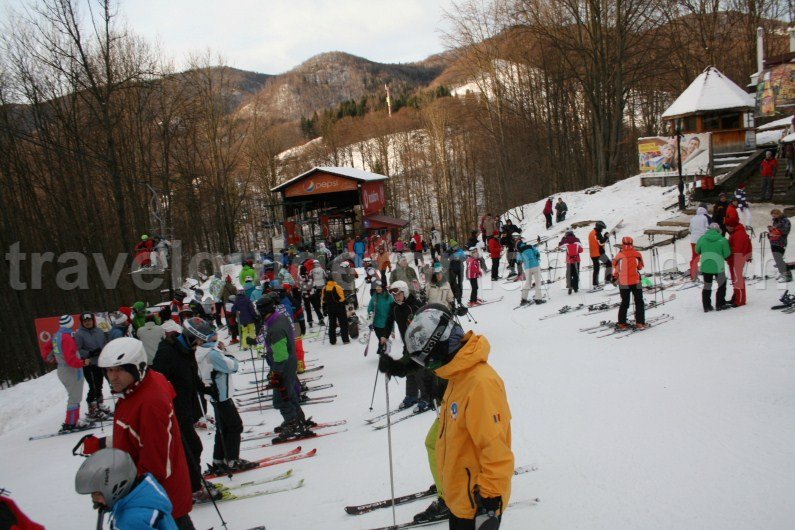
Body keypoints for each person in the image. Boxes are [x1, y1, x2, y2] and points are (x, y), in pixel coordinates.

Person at [403, 304, 514, 529]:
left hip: (476, 504)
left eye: (429, 360)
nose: (431, 367)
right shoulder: (458, 377)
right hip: (460, 500)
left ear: (440, 345)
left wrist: (489, 504)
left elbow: (496, 450)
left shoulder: (480, 384)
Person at [83, 338, 195, 528]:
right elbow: (138, 436)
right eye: (109, 370)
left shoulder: (150, 403)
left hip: (157, 500)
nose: (113, 377)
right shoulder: (139, 387)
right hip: (151, 498)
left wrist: (113, 491)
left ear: (137, 367)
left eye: (119, 370)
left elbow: (155, 467)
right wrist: (104, 444)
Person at [151, 319, 209, 503]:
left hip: (186, 408)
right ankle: (192, 489)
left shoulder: (187, 350)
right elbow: (156, 381)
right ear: (192, 337)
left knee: (190, 449)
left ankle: (192, 484)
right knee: (191, 448)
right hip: (173, 411)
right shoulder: (167, 352)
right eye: (199, 340)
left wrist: (206, 389)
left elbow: (192, 376)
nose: (200, 345)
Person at [194, 332, 256, 474]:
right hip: (221, 395)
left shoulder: (200, 352)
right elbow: (233, 366)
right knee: (235, 426)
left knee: (224, 427)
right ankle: (232, 459)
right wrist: (226, 351)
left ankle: (219, 458)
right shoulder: (213, 353)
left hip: (215, 394)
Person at [255, 293, 315, 441]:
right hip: (289, 361)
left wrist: (276, 373)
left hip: (283, 363)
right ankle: (297, 419)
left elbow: (280, 355)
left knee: (280, 397)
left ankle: (292, 424)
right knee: (289, 393)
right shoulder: (279, 317)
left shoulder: (275, 328)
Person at [75, 448, 178, 530]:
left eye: (97, 493)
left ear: (114, 487)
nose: (94, 500)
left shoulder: (131, 521)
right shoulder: (145, 495)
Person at [384, 280, 429, 410]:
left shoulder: (415, 305)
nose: (396, 297)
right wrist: (384, 336)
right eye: (394, 295)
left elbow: (426, 321)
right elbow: (389, 321)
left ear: (405, 292)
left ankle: (427, 397)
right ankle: (412, 395)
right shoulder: (394, 307)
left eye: (399, 294)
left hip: (420, 344)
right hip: (407, 343)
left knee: (420, 370)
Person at [42, 314, 90, 432]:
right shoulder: (67, 338)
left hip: (63, 369)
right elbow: (71, 359)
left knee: (74, 395)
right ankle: (71, 423)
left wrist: (51, 358)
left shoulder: (56, 336)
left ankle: (73, 420)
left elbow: (46, 350)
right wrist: (83, 362)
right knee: (74, 397)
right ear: (70, 323)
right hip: (71, 370)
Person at [75, 311, 111, 421]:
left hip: (100, 362)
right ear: (82, 322)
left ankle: (99, 405)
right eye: (85, 321)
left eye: (89, 320)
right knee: (93, 386)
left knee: (99, 384)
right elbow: (77, 350)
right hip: (88, 363)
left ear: (93, 320)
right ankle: (92, 408)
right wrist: (89, 353)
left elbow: (104, 343)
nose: (87, 323)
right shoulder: (79, 334)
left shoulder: (99, 331)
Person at [612, 236, 646, 329]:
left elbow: (616, 268)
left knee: (624, 302)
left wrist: (615, 277)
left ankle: (622, 323)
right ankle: (640, 322)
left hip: (624, 283)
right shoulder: (637, 254)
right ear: (632, 243)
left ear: (623, 244)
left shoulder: (619, 256)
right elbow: (640, 267)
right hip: (636, 281)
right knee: (639, 302)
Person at [696, 223, 731, 311]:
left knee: (707, 286)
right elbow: (727, 254)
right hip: (718, 266)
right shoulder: (722, 240)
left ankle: (706, 306)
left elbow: (697, 250)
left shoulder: (702, 239)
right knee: (722, 285)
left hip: (706, 266)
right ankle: (720, 304)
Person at [727, 223, 752, 307]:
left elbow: (737, 249)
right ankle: (736, 297)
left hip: (736, 259)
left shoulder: (738, 234)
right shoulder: (737, 232)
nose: (728, 228)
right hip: (736, 259)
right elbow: (748, 244)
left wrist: (728, 252)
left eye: (729, 225)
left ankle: (740, 300)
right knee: (736, 279)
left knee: (738, 279)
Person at [321, 276, 350, 345]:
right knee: (343, 324)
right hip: (339, 308)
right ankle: (345, 340)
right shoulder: (337, 287)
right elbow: (342, 298)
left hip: (330, 309)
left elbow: (323, 300)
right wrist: (346, 301)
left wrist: (324, 309)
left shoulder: (324, 288)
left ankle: (332, 341)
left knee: (332, 325)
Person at [517, 235, 545, 305]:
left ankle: (523, 299)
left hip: (527, 268)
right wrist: (536, 257)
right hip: (535, 265)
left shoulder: (519, 251)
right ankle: (538, 299)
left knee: (528, 283)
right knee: (538, 283)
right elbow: (537, 254)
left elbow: (518, 260)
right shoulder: (530, 246)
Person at [768, 209, 792, 283]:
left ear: (779, 213)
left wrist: (775, 229)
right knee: (777, 259)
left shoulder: (785, 220)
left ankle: (788, 275)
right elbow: (774, 231)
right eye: (773, 214)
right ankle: (782, 273)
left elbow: (785, 231)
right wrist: (770, 230)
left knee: (779, 259)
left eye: (775, 214)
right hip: (774, 241)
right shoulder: (775, 220)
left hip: (781, 242)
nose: (774, 215)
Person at [367, 280, 395, 346]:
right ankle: (383, 352)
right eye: (376, 287)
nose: (378, 288)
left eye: (379, 287)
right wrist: (370, 319)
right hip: (377, 324)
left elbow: (392, 313)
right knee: (381, 340)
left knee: (383, 342)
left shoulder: (389, 297)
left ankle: (383, 352)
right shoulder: (374, 297)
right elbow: (370, 308)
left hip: (387, 324)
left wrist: (392, 329)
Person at [588, 221, 613, 287]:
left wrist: (604, 237)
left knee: (596, 269)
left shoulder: (592, 232)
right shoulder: (597, 233)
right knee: (609, 264)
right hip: (599, 253)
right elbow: (601, 242)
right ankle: (607, 280)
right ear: (599, 227)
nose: (602, 230)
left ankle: (595, 284)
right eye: (602, 228)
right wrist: (606, 237)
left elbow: (599, 241)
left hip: (593, 254)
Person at [689, 206, 710, 281]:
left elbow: (690, 229)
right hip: (702, 240)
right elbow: (707, 228)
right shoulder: (704, 218)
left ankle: (693, 275)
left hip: (693, 240)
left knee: (695, 257)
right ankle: (707, 273)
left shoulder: (693, 218)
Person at [447, 240, 466, 306]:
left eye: (457, 245)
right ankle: (454, 294)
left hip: (460, 268)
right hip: (453, 269)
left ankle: (460, 294)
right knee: (453, 282)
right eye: (455, 246)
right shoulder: (449, 251)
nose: (456, 247)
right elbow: (446, 258)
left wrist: (460, 258)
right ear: (452, 247)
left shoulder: (460, 250)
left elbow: (464, 257)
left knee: (460, 281)